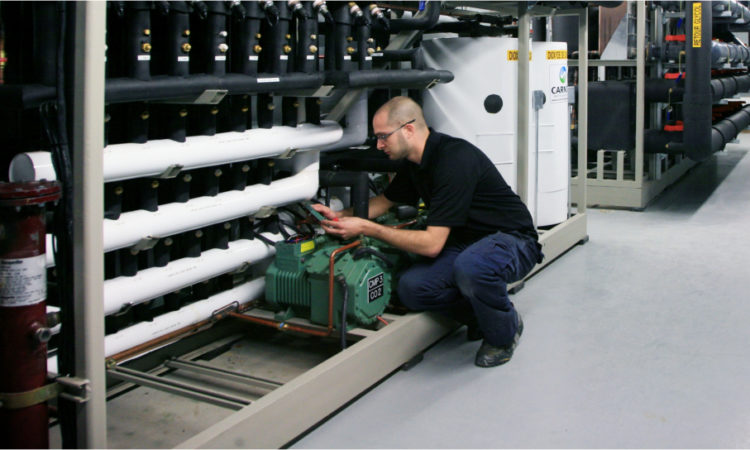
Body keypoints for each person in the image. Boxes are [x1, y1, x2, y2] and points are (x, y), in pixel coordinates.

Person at [312, 96, 543, 367]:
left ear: (408, 129)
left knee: (472, 268)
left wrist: (366, 228)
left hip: (512, 240)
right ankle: (482, 316)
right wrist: (338, 216)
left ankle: (504, 332)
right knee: (413, 288)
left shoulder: (453, 159)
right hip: (467, 244)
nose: (379, 145)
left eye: (384, 136)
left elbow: (433, 244)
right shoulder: (415, 163)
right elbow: (384, 202)